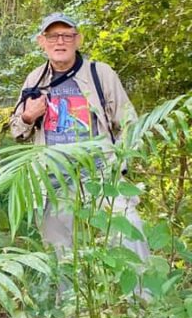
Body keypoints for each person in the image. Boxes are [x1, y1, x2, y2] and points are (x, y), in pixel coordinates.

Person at [10, 13, 149, 261]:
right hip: (53, 182)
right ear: (42, 42)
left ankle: (142, 299)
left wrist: (120, 164)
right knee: (61, 256)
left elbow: (129, 123)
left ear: (78, 40)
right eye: (53, 36)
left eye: (67, 35)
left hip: (101, 175)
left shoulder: (100, 74)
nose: (60, 42)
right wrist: (29, 116)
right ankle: (71, 301)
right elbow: (16, 130)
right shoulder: (35, 79)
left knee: (129, 231)